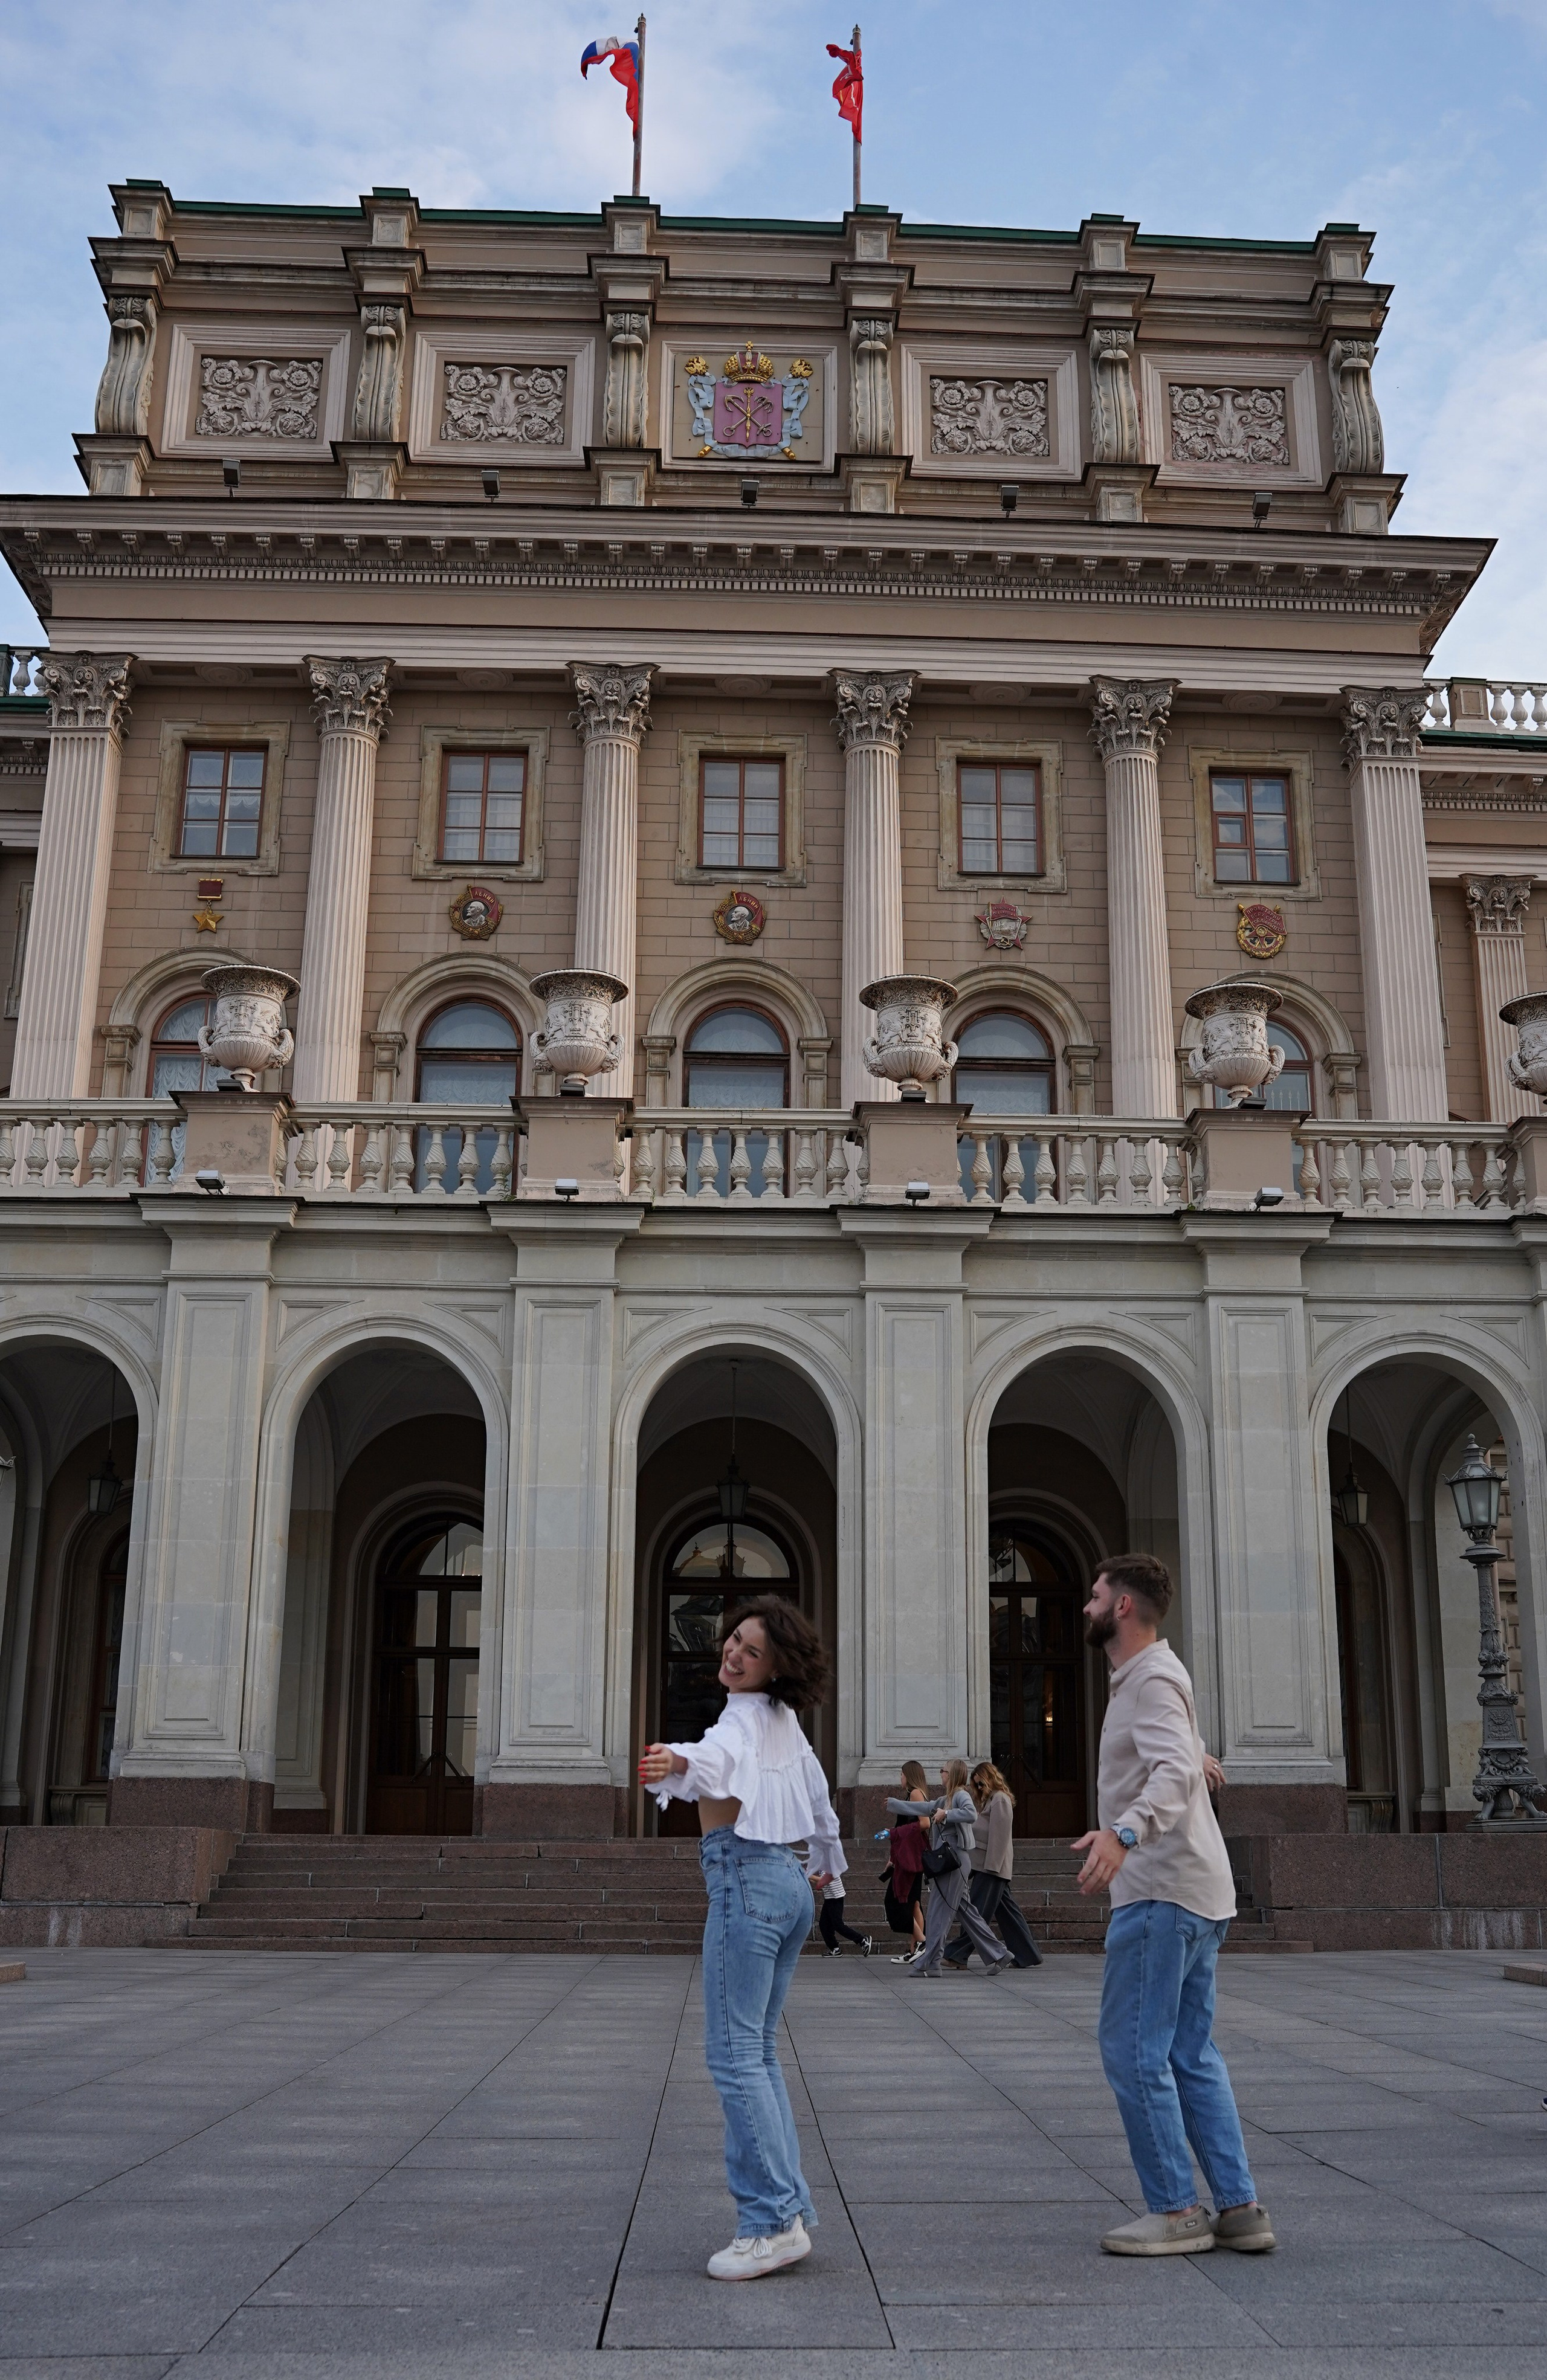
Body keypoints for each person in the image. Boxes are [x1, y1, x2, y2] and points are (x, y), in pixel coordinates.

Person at [1074, 1553, 1276, 2257]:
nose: (1086, 1606)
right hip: (1197, 1893)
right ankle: (1240, 2208)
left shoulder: (1150, 1680)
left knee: (1133, 2052)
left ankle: (1176, 2210)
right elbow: (1177, 1759)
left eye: (1095, 1595)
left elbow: (1168, 1769)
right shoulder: (1159, 1674)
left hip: (1160, 1892)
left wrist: (1124, 1833)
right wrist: (1196, 1756)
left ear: (1122, 1607)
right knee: (1190, 2052)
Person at [639, 1593, 842, 2283]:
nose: (733, 1653)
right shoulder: (784, 1723)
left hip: (748, 1877)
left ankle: (769, 2223)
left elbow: (715, 1759)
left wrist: (674, 1761)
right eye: (734, 1640)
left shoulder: (743, 1720)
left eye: (752, 1651)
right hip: (786, 1879)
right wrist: (826, 1872)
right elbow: (817, 1800)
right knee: (756, 2052)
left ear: (775, 1667)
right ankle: (786, 2213)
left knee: (733, 2056)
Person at [887, 1758, 1012, 1979]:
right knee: (967, 1913)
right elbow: (925, 1807)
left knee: (938, 1912)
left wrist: (948, 1815)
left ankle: (931, 1961)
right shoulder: (947, 1798)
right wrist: (896, 1804)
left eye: (943, 1770)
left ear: (952, 1774)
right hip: (951, 1862)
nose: (941, 1774)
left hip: (953, 1863)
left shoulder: (961, 1795)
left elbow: (971, 1813)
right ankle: (999, 1954)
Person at [943, 1762, 1043, 1970]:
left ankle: (957, 1955)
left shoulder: (1000, 1800)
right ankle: (1028, 1954)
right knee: (1008, 1915)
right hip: (988, 1867)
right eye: (976, 1785)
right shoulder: (991, 1801)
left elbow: (1000, 1837)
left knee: (976, 1914)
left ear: (989, 1779)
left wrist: (993, 1868)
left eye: (980, 1783)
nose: (978, 1788)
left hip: (992, 1868)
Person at [882, 1759, 929, 1958]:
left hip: (911, 1860)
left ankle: (923, 1942)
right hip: (911, 1858)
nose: (900, 1778)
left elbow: (925, 1823)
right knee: (915, 1903)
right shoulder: (913, 1795)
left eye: (902, 1774)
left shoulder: (916, 1793)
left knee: (897, 1903)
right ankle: (914, 1950)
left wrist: (895, 1832)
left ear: (909, 1776)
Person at [816, 1874, 872, 1957]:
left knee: (838, 1925)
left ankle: (863, 1941)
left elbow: (825, 1879)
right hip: (830, 1898)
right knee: (824, 1925)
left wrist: (807, 1875)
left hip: (836, 1898)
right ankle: (835, 1949)